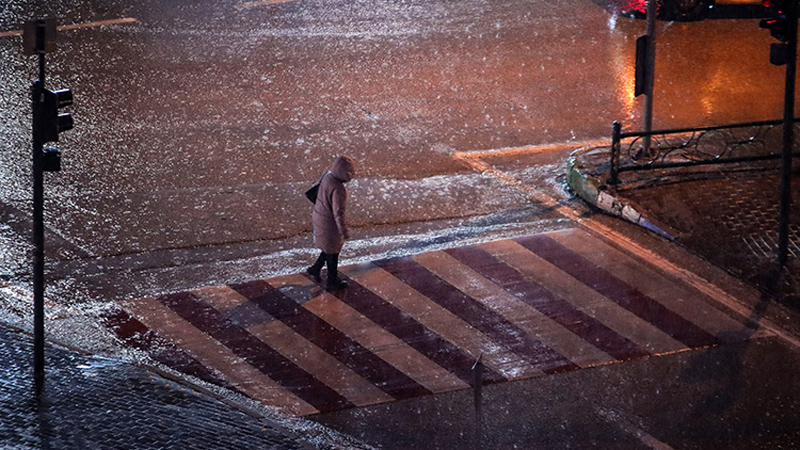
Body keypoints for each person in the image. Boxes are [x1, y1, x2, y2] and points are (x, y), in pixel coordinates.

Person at [307, 156, 355, 290]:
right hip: (329, 223)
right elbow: (338, 213)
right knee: (333, 252)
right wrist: (343, 231)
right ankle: (332, 280)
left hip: (319, 216)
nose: (352, 175)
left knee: (328, 247)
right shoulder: (339, 189)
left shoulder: (328, 175)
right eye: (350, 172)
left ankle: (315, 268)